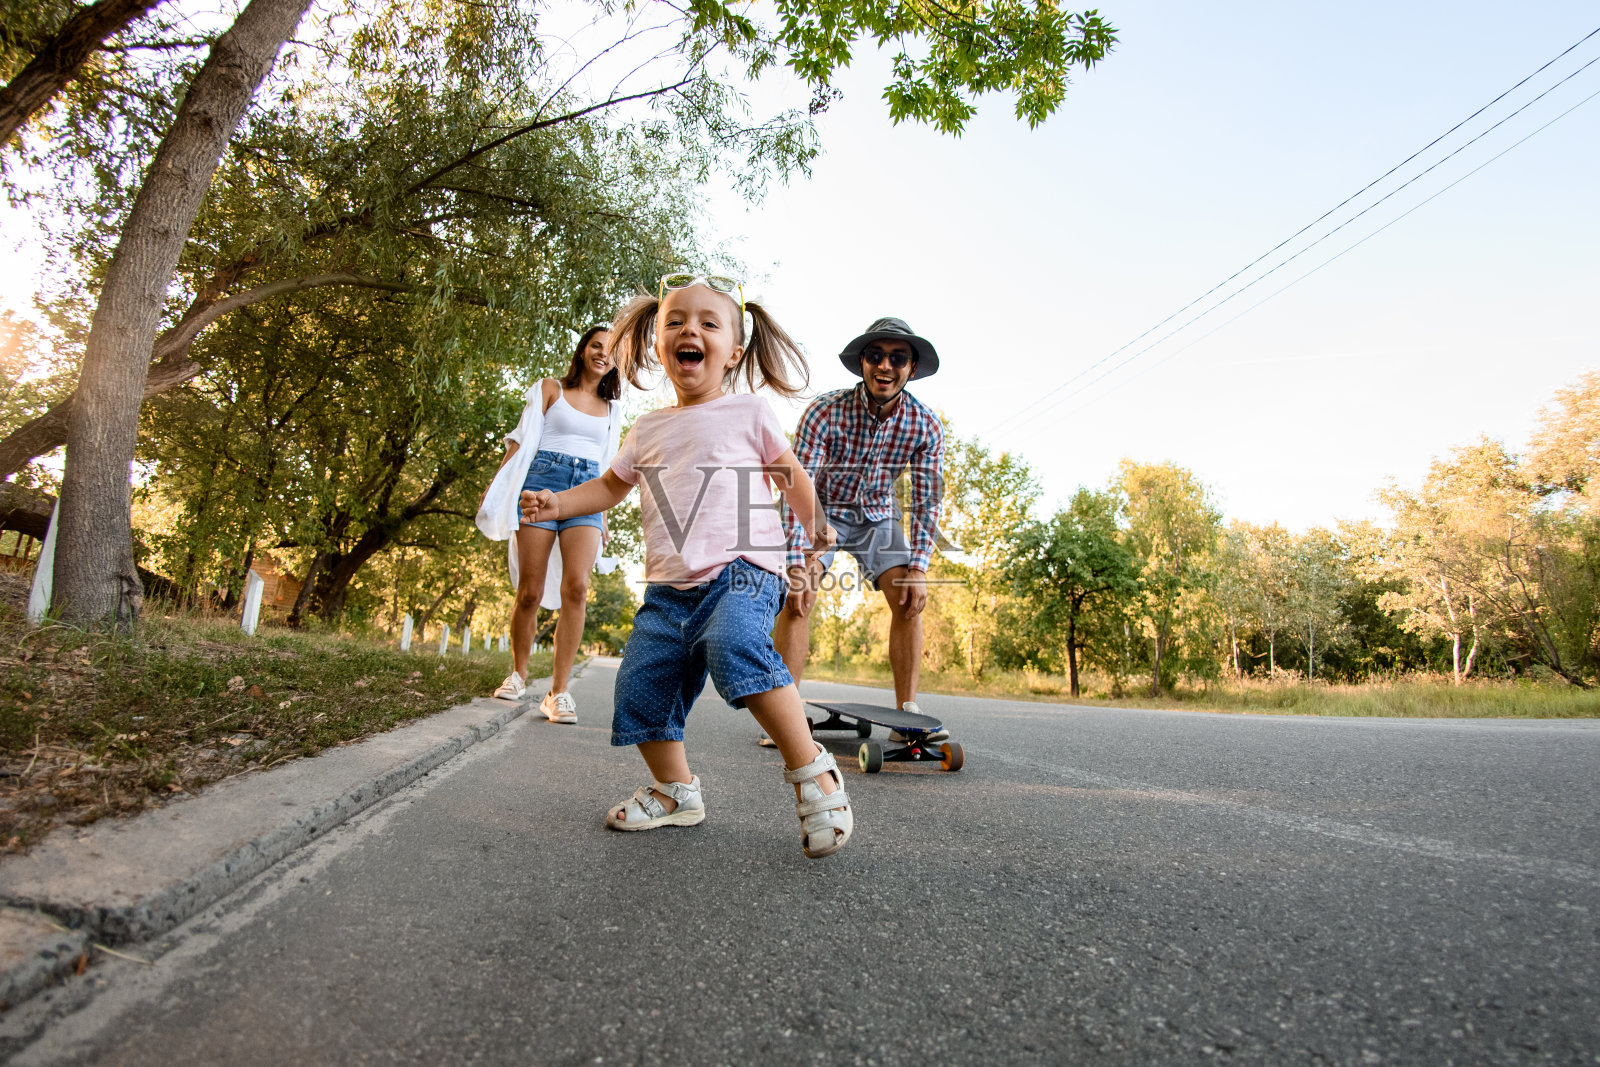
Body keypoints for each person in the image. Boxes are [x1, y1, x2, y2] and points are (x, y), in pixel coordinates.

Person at [520, 272, 854, 858]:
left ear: (734, 353)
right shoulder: (647, 428)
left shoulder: (749, 412)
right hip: (669, 588)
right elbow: (607, 488)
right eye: (674, 321)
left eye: (707, 323)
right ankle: (676, 791)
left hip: (745, 570)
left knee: (733, 643)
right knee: (640, 685)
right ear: (658, 345)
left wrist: (816, 529)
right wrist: (558, 503)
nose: (688, 330)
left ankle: (814, 771)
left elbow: (790, 476)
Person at [775, 317, 946, 741]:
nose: (885, 366)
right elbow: (798, 485)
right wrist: (796, 564)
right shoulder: (824, 412)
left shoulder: (925, 426)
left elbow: (926, 501)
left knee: (908, 596)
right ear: (862, 363)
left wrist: (919, 567)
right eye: (875, 356)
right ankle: (785, 716)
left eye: (898, 358)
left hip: (877, 514)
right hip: (821, 510)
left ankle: (907, 715)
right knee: (797, 596)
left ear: (911, 368)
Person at [475, 325, 623, 723]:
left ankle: (558, 693)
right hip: (541, 483)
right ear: (583, 350)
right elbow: (520, 440)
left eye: (611, 351)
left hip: (586, 492)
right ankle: (517, 674)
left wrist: (604, 515)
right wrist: (497, 486)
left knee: (577, 588)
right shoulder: (549, 389)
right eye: (596, 346)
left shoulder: (613, 408)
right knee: (530, 591)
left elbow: (608, 466)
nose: (603, 354)